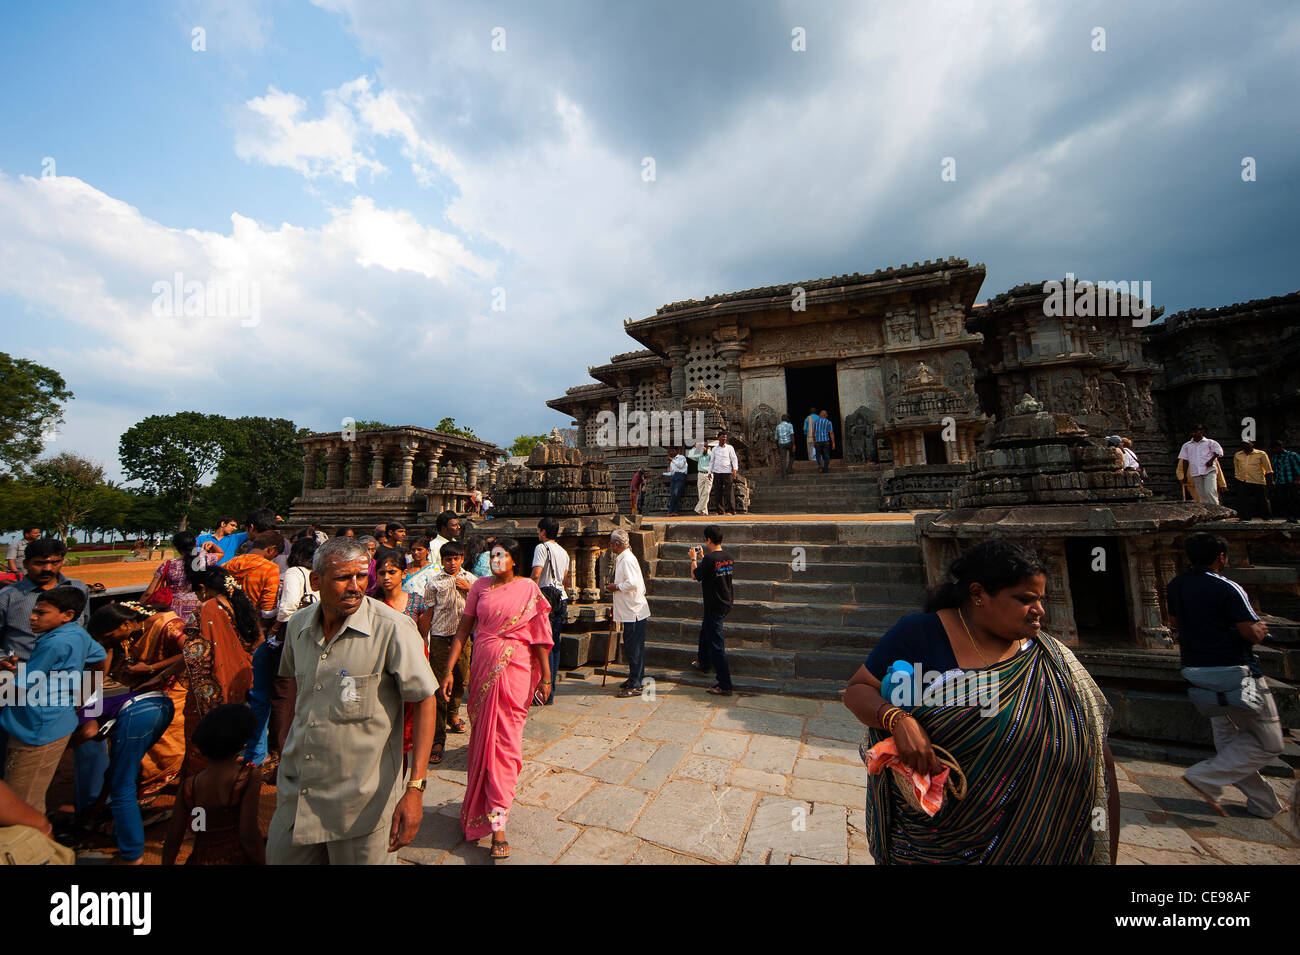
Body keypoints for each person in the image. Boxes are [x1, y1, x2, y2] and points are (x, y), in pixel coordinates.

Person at [843, 540, 1118, 864]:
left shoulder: (1054, 661)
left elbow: (1100, 762)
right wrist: (897, 719)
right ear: (978, 595)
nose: (1040, 610)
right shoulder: (920, 634)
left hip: (1046, 843)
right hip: (936, 847)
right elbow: (857, 689)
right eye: (1024, 599)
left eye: (1040, 599)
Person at [267, 537, 436, 865]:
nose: (355, 587)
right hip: (298, 794)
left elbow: (426, 699)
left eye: (361, 577)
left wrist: (415, 787)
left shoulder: (393, 629)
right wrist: (284, 739)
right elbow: (289, 681)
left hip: (360, 805)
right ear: (316, 581)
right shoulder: (299, 625)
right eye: (343, 578)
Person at [440, 538, 552, 859]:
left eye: (501, 556)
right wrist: (448, 670)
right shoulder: (480, 588)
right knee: (483, 742)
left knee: (505, 745)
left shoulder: (529, 589)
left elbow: (541, 637)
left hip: (515, 669)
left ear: (514, 560)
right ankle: (484, 809)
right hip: (484, 667)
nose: (495, 561)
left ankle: (498, 821)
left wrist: (545, 676)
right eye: (492, 556)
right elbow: (463, 631)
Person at [1167, 533, 1285, 818]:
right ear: (1221, 558)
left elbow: (1174, 621)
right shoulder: (1229, 588)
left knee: (1228, 741)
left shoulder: (1176, 585)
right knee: (1270, 742)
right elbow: (1249, 632)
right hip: (1236, 673)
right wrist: (1262, 629)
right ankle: (1204, 777)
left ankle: (1263, 803)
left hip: (1197, 673)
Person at [0, 586, 103, 816]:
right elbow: (100, 658)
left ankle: (40, 847)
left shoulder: (52, 644)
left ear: (67, 615)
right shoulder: (78, 634)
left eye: (41, 613)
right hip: (57, 721)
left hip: (35, 729)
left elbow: (18, 688)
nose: (32, 617)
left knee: (22, 805)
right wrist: (85, 699)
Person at [178, 568, 259, 776]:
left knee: (205, 732)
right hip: (238, 676)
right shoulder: (240, 603)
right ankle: (227, 778)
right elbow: (256, 640)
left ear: (203, 589)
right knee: (229, 733)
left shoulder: (207, 609)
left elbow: (194, 651)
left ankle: (201, 782)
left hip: (213, 681)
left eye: (196, 592)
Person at [163, 704, 265, 865]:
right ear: (242, 742)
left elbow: (174, 836)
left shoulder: (190, 785)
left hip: (200, 858)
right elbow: (248, 832)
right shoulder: (247, 777)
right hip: (236, 857)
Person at [226, 532, 284, 768]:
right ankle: (256, 753)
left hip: (228, 635)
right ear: (270, 551)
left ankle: (228, 746)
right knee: (258, 695)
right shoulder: (269, 569)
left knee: (229, 690)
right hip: (255, 636)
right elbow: (268, 610)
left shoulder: (229, 565)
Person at [373, 546, 432, 761]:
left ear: (403, 573)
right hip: (382, 668)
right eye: (382, 573)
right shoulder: (372, 605)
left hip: (411, 665)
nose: (387, 577)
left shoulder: (417, 601)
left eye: (392, 572)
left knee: (410, 721)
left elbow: (422, 635)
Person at [265, 538, 317, 761]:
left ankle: (280, 750)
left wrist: (274, 628)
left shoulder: (295, 572)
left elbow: (288, 608)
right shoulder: (317, 575)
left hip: (292, 633)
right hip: (313, 633)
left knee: (283, 691)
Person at [425, 541, 476, 763]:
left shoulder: (472, 580)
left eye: (456, 558)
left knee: (461, 680)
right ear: (442, 561)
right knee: (439, 686)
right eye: (448, 559)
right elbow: (428, 611)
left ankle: (453, 713)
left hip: (464, 639)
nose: (452, 563)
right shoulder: (434, 582)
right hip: (440, 638)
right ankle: (438, 737)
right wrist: (422, 639)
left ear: (462, 558)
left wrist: (470, 590)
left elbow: (484, 604)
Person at [0, 538, 91, 662]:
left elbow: (84, 626)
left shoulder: (79, 588)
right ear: (26, 564)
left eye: (55, 563)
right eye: (39, 563)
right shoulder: (7, 596)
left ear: (62, 562)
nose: (47, 568)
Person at [690, 525, 734, 696]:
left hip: (714, 604)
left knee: (717, 644)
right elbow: (713, 569)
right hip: (725, 602)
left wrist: (694, 559)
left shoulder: (709, 560)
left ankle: (725, 684)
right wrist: (703, 557)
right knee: (705, 630)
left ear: (708, 539)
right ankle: (704, 662)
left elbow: (695, 575)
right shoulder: (728, 557)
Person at [141, 529, 222, 622]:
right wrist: (212, 544)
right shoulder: (204, 559)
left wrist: (139, 604)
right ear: (195, 543)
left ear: (176, 548)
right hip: (198, 607)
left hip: (172, 611)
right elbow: (220, 553)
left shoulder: (167, 565)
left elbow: (150, 592)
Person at [606, 529, 650, 698]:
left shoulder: (627, 560)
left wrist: (615, 587)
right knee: (633, 646)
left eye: (611, 544)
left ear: (617, 544)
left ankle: (636, 683)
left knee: (634, 648)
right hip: (630, 609)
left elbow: (631, 583)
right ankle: (635, 677)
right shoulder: (625, 558)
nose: (611, 547)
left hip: (634, 611)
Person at [532, 517, 571, 704]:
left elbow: (536, 574)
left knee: (541, 645)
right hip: (561, 599)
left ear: (544, 532)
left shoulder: (541, 548)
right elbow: (564, 578)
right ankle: (550, 692)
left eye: (539, 530)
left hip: (545, 601)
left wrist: (528, 595)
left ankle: (540, 691)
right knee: (554, 645)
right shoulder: (564, 552)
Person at [1178, 424, 1225, 506]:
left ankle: (1218, 512)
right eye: (1192, 432)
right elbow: (1185, 460)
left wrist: (1211, 460)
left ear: (1201, 431)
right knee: (1202, 495)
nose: (1194, 434)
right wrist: (1185, 475)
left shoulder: (1210, 442)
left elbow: (1219, 452)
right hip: (1196, 472)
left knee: (1210, 491)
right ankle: (1209, 514)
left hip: (1209, 470)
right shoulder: (1187, 445)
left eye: (1196, 431)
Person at [1232, 441, 1273, 521]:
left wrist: (1270, 481)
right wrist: (1237, 478)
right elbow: (1236, 468)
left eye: (1247, 443)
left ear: (1252, 444)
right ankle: (1245, 517)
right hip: (1242, 480)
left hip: (1257, 480)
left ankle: (1267, 517)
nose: (1245, 445)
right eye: (1243, 444)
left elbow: (1268, 469)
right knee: (1243, 500)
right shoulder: (1238, 455)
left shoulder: (1261, 454)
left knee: (1262, 500)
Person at [708, 431, 741, 515]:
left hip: (727, 472)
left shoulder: (729, 448)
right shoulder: (715, 449)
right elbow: (712, 461)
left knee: (729, 491)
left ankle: (731, 510)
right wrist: (709, 472)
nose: (724, 439)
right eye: (723, 437)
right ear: (718, 438)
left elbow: (734, 459)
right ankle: (720, 510)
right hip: (717, 472)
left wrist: (735, 470)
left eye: (725, 437)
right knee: (718, 492)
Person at [1270, 438, 1300, 523]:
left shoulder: (1292, 455)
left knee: (1293, 500)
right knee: (1283, 500)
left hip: (1291, 481)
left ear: (1281, 447)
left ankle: (1293, 517)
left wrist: (1297, 479)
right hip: (1280, 482)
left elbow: (1298, 467)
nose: (1275, 450)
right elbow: (1275, 470)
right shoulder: (1275, 457)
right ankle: (1288, 517)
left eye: (1276, 448)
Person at [688, 441, 713, 516]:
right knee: (701, 493)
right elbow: (690, 455)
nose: (702, 449)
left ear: (706, 448)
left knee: (706, 492)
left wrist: (708, 450)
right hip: (700, 474)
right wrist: (695, 447)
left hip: (709, 474)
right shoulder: (699, 455)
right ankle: (704, 511)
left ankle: (698, 508)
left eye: (703, 447)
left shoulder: (710, 454)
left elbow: (713, 457)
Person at [664, 449, 689, 517]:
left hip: (680, 476)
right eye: (669, 452)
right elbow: (672, 472)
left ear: (676, 451)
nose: (670, 453)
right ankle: (674, 511)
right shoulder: (672, 462)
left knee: (676, 493)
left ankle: (670, 511)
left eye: (671, 451)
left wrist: (672, 460)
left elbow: (680, 465)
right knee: (673, 494)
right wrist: (663, 474)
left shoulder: (681, 457)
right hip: (674, 477)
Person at [776, 414, 795, 479]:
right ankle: (789, 469)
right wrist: (794, 445)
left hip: (781, 443)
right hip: (789, 443)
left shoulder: (778, 427)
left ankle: (784, 475)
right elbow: (792, 435)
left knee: (783, 460)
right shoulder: (790, 425)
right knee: (792, 456)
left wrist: (778, 447)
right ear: (786, 419)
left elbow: (776, 438)